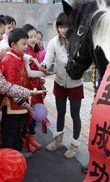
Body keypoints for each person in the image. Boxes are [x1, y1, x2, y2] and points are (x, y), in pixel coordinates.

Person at [42, 13, 83, 159]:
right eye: (60, 27)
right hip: (59, 82)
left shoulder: (77, 41)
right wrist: (44, 65)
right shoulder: (54, 41)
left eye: (65, 26)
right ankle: (58, 141)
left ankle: (75, 146)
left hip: (75, 84)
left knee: (75, 115)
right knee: (60, 113)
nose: (63, 30)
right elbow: (48, 57)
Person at [0, 28, 31, 156]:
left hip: (19, 104)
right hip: (12, 104)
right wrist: (24, 103)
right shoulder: (10, 60)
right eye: (23, 44)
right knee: (10, 131)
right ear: (13, 44)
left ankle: (17, 154)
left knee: (18, 129)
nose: (26, 47)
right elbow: (10, 87)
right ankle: (9, 158)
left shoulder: (18, 57)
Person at [22, 24, 47, 152]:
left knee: (33, 116)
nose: (34, 39)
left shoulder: (35, 51)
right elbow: (28, 72)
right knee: (28, 116)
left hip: (36, 88)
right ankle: (26, 142)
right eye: (30, 37)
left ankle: (32, 138)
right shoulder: (25, 53)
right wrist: (43, 73)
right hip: (28, 89)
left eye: (35, 37)